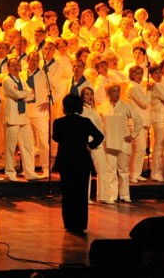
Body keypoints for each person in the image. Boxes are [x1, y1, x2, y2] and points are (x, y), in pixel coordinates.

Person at [52, 94, 105, 235]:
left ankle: (69, 223)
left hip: (66, 161)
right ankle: (80, 224)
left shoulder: (59, 122)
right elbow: (100, 136)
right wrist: (89, 146)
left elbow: (56, 138)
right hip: (82, 161)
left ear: (65, 107)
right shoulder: (85, 121)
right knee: (81, 194)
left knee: (68, 193)